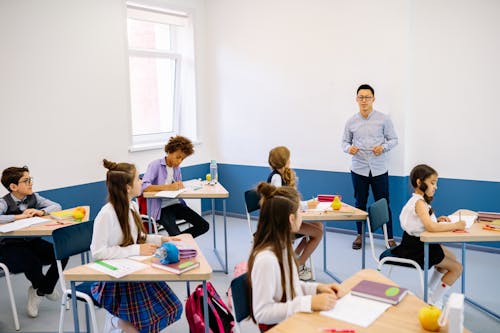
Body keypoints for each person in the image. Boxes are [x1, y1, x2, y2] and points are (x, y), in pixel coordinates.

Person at [91, 159, 182, 333]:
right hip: (115, 280)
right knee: (141, 324)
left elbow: (139, 236)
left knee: (173, 308)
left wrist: (162, 240)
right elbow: (98, 252)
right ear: (127, 187)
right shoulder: (106, 215)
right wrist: (137, 249)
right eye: (138, 179)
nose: (141, 181)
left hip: (134, 271)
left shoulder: (132, 206)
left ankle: (120, 322)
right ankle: (116, 322)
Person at [248, 182, 344, 332]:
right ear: (291, 219)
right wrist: (309, 303)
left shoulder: (283, 247)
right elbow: (262, 313)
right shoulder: (266, 259)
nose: (302, 215)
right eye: (300, 211)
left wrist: (317, 288)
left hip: (294, 321)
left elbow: (292, 286)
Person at [391, 164, 464, 308]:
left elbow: (425, 223)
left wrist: (438, 220)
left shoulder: (421, 201)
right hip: (415, 248)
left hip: (419, 243)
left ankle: (428, 292)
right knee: (457, 268)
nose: (435, 187)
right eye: (432, 183)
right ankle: (432, 301)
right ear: (419, 183)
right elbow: (430, 227)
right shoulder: (418, 203)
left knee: (451, 258)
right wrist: (456, 225)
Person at [0, 166, 67, 318]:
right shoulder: (4, 202)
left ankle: (41, 290)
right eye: (26, 180)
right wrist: (18, 217)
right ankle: (43, 287)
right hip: (10, 246)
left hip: (32, 241)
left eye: (30, 179)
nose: (31, 183)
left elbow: (57, 206)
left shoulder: (34, 197)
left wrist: (41, 211)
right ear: (13, 186)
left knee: (62, 253)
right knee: (32, 262)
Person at [342, 84, 398, 250]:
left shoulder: (384, 119)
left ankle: (389, 238)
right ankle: (360, 235)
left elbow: (394, 139)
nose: (364, 100)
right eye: (361, 97)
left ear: (373, 99)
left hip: (379, 169)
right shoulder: (351, 121)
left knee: (383, 204)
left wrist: (383, 147)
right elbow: (344, 142)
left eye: (367, 97)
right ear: (356, 99)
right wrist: (348, 149)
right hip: (358, 169)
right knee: (360, 203)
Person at [267, 146, 324, 281]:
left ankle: (293, 258)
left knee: (318, 225)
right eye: (288, 158)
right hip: (279, 224)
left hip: (287, 218)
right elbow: (283, 203)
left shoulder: (283, 175)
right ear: (285, 161)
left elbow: (291, 201)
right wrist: (307, 205)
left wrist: (307, 204)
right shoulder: (276, 178)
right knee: (318, 233)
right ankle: (298, 266)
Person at [142, 135, 209, 238]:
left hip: (177, 204)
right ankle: (177, 240)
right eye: (178, 157)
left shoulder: (177, 168)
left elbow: (176, 187)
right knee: (176, 235)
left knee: (204, 225)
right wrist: (168, 187)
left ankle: (176, 240)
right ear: (169, 151)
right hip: (162, 208)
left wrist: (181, 187)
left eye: (182, 159)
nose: (179, 161)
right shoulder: (155, 165)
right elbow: (144, 186)